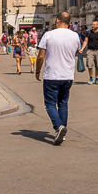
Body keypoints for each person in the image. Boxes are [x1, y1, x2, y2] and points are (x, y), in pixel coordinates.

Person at [35, 12, 80, 146]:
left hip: (52, 75)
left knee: (50, 104)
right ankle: (62, 131)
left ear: (58, 20)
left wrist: (37, 70)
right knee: (63, 103)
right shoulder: (75, 36)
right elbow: (75, 52)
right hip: (68, 75)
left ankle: (58, 127)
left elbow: (41, 56)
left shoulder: (49, 35)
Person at [78, 18, 98, 85]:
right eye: (92, 24)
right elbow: (85, 41)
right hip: (90, 51)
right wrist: (82, 48)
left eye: (94, 24)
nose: (92, 25)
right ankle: (91, 78)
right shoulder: (88, 32)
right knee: (89, 65)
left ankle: (96, 79)